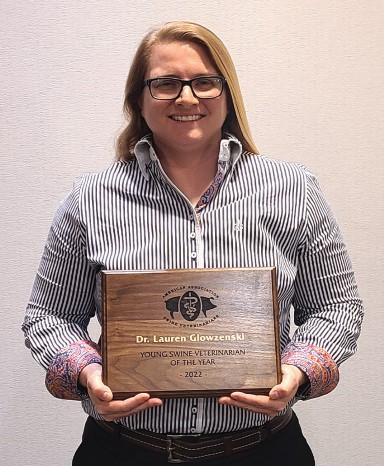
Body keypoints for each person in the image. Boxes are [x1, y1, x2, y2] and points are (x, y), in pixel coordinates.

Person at [22, 21, 363, 466]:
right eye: (165, 83)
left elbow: (338, 307)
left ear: (227, 93)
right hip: (124, 452)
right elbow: (48, 316)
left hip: (263, 451)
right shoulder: (90, 198)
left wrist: (295, 371)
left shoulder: (294, 189)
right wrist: (89, 373)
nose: (187, 98)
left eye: (204, 82)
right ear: (138, 100)